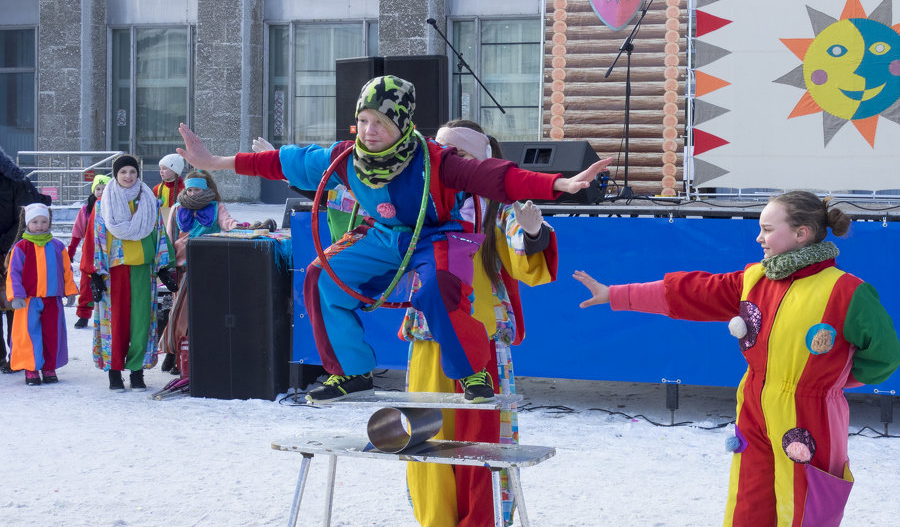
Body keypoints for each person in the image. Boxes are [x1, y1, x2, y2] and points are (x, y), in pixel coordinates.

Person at [573, 191, 900, 527]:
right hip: (754, 418)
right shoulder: (755, 279)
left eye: (768, 228)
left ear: (802, 234)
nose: (759, 236)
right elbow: (690, 291)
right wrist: (616, 294)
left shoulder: (847, 292)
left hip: (810, 425)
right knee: (744, 521)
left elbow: (886, 355)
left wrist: (830, 380)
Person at [176, 74, 610, 404]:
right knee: (320, 277)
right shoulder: (344, 159)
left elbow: (496, 176)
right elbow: (282, 160)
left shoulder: (437, 162)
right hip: (385, 237)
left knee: (438, 287)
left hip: (435, 236)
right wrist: (215, 160)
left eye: (380, 122)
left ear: (402, 124)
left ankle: (473, 370)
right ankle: (351, 371)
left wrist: (559, 185)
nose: (369, 130)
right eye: (364, 120)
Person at [401, 120, 559, 527]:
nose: (445, 163)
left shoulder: (498, 209)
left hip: (483, 346)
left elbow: (524, 254)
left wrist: (534, 234)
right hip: (430, 342)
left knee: (482, 453)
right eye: (440, 152)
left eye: (457, 156)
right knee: (427, 446)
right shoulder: (419, 203)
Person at [91, 154, 171, 391]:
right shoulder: (102, 204)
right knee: (114, 323)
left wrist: (164, 267)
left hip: (142, 270)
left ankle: (137, 371)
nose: (128, 176)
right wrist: (94, 274)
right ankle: (114, 371)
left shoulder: (150, 201)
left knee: (141, 323)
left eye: (132, 172)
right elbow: (94, 239)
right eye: (123, 172)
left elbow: (159, 233)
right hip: (113, 271)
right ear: (115, 175)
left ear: (138, 175)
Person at [159, 169, 240, 375]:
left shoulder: (216, 207)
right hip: (182, 266)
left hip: (207, 264)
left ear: (206, 189)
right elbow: (169, 237)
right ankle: (174, 352)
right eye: (190, 189)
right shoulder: (177, 208)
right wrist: (165, 266)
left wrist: (244, 227)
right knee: (179, 311)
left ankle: (189, 354)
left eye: (197, 189)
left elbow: (229, 224)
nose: (193, 193)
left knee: (202, 313)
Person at [4, 203, 77, 384]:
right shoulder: (21, 247)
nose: (40, 226)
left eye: (43, 221)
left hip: (52, 299)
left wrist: (70, 291)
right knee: (30, 334)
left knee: (52, 334)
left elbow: (66, 271)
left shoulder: (58, 246)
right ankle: (31, 368)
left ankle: (49, 367)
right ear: (27, 223)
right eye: (35, 222)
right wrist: (17, 296)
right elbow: (14, 273)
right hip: (29, 300)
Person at [0, 144, 51, 373]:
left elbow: (27, 216)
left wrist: (6, 246)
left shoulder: (17, 180)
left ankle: (17, 355)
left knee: (16, 306)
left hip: (14, 251)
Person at [69, 174, 110, 328]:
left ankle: (109, 314)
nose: (100, 191)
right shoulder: (86, 209)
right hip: (91, 250)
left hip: (107, 249)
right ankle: (84, 314)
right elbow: (77, 231)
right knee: (87, 284)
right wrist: (71, 251)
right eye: (98, 189)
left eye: (104, 188)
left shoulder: (113, 206)